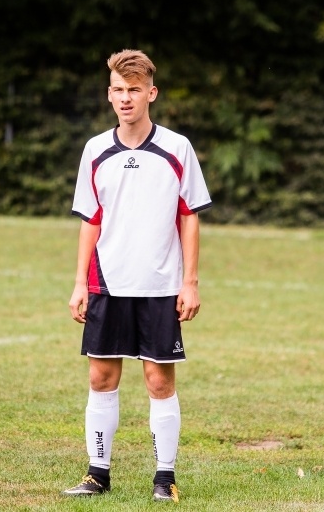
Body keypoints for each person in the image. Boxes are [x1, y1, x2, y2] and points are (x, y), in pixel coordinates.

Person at [62, 49, 212, 502]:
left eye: (133, 90)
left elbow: (189, 216)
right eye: (117, 90)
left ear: (151, 93)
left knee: (159, 381)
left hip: (161, 284)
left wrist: (190, 281)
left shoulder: (176, 148)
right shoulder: (95, 149)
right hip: (107, 282)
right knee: (101, 379)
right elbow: (91, 219)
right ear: (109, 95)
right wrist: (78, 283)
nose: (125, 98)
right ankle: (97, 474)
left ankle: (164, 478)